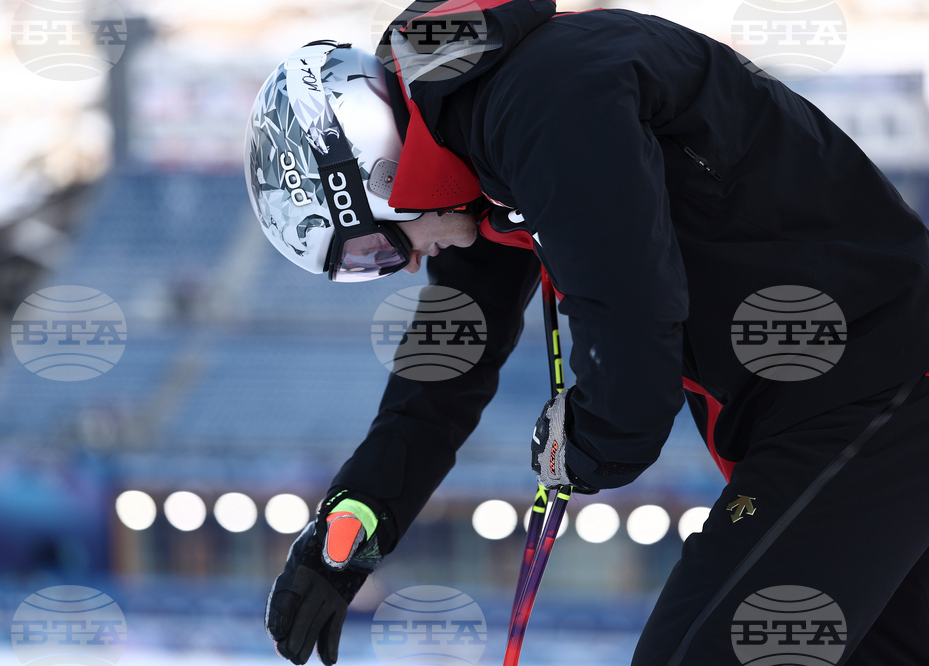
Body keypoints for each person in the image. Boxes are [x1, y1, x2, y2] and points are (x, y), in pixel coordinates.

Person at [245, 1, 929, 664]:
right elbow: (454, 351)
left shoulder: (548, 101)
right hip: (850, 397)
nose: (406, 262)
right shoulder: (481, 130)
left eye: (372, 252)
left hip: (873, 387)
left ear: (373, 173)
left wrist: (586, 441)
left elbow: (631, 340)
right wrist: (359, 513)